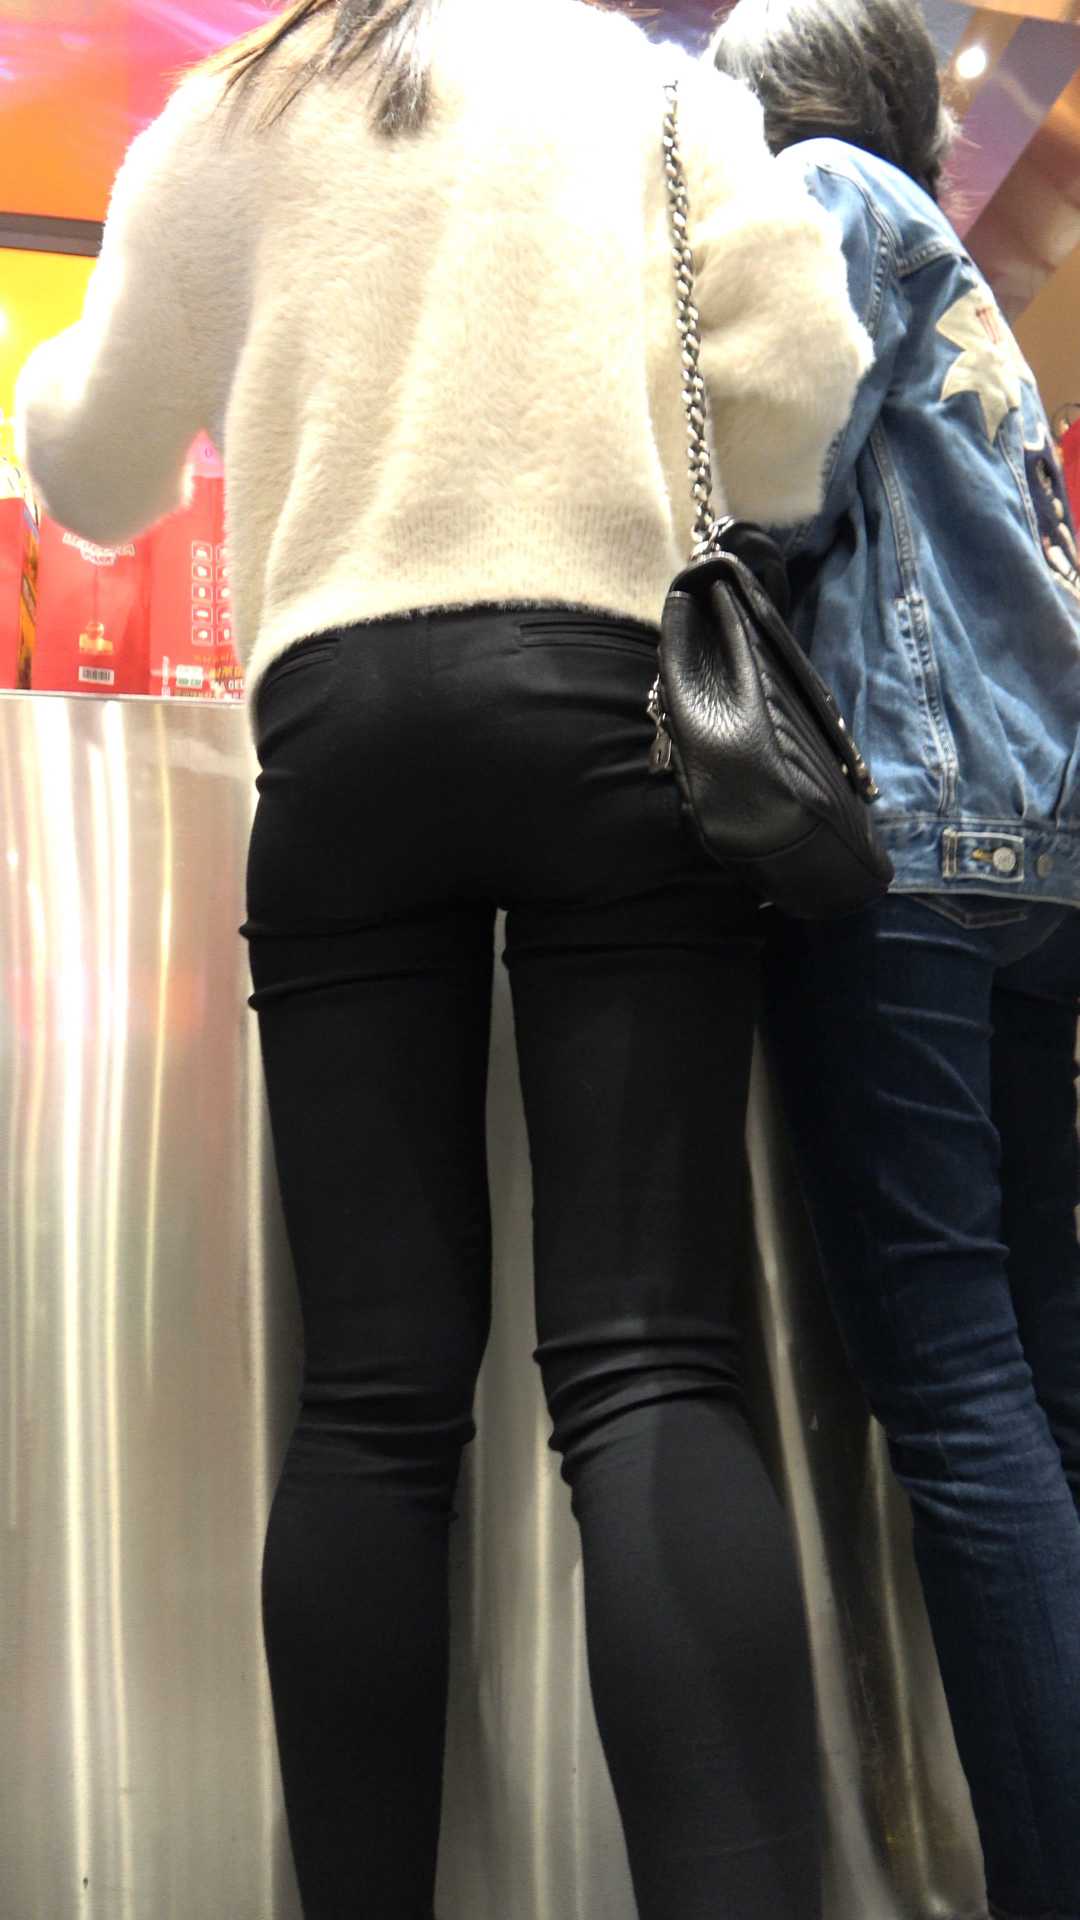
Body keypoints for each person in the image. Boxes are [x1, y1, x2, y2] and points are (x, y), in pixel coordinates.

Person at [16, 2, 871, 1914]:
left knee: (376, 1396)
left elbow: (91, 470)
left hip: (338, 735)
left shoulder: (230, 112)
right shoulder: (661, 94)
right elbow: (800, 404)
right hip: (613, 709)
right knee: (651, 1363)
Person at [710, 5, 1080, 1919]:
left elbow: (774, 469)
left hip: (908, 843)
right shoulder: (973, 292)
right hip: (1032, 853)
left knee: (948, 1390)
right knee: (1043, 1373)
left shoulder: (823, 195)